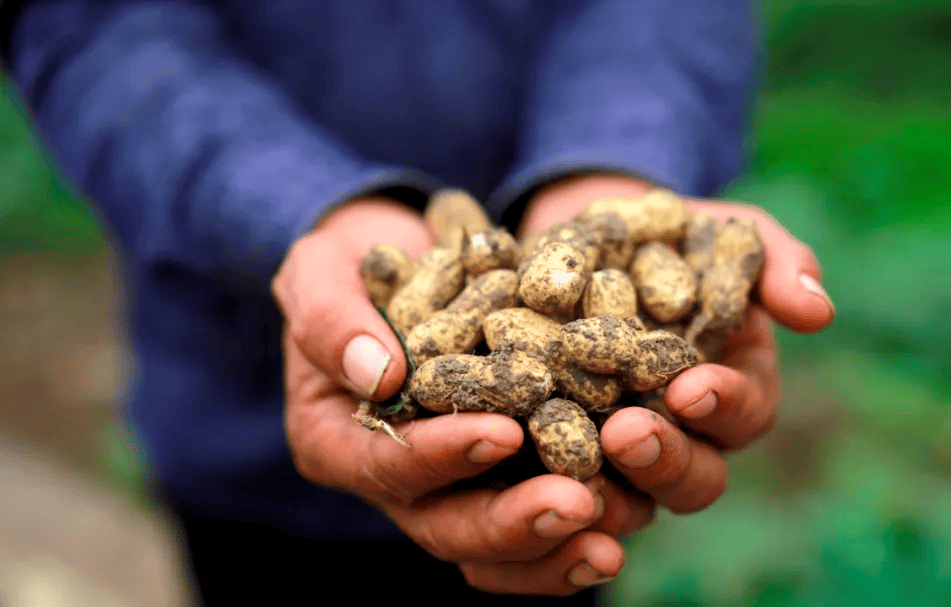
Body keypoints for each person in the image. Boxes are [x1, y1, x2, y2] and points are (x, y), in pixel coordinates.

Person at [0, 0, 834, 603]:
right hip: (240, 431)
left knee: (563, 523)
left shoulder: (565, 316)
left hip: (555, 487)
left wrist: (617, 155)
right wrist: (289, 205)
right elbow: (90, 24)